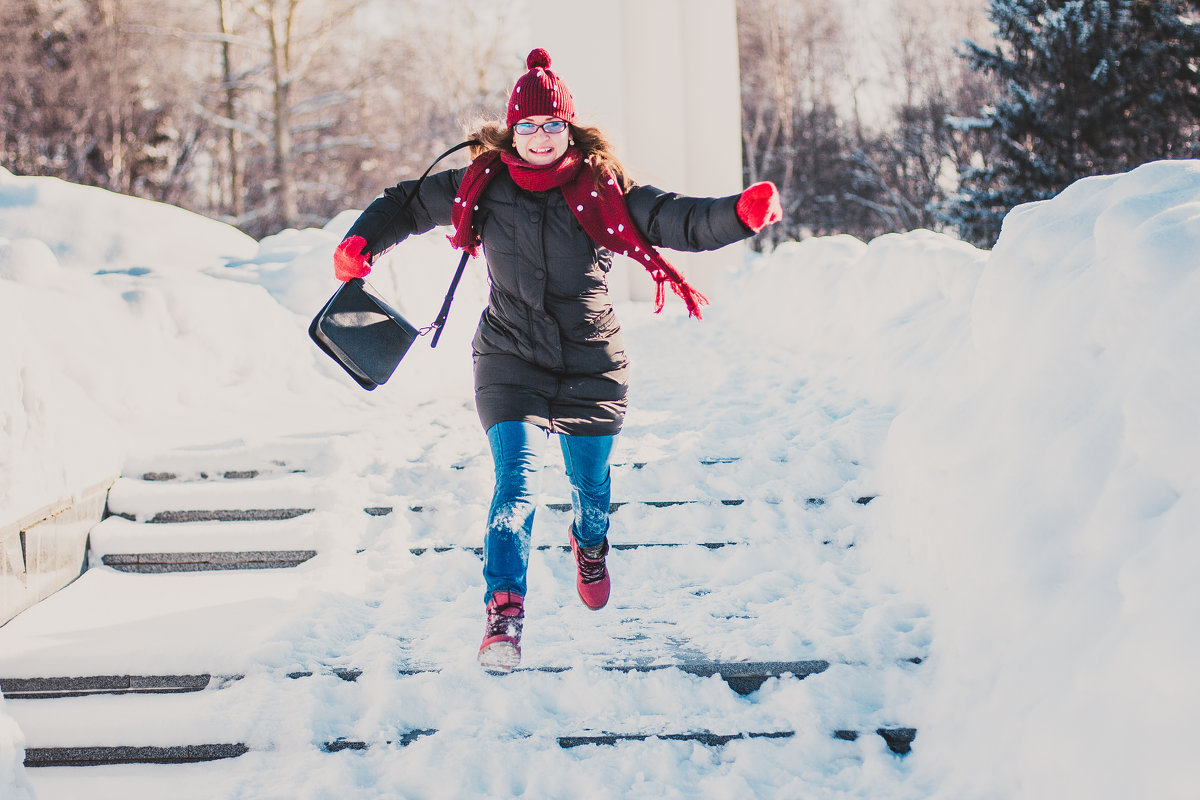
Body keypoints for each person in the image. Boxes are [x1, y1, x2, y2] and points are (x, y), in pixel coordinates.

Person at [333, 48, 782, 673]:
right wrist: (361, 241)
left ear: (568, 129)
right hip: (509, 354)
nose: (540, 137)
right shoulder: (481, 187)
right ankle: (504, 614)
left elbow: (673, 217)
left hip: (590, 361)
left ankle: (590, 544)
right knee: (514, 487)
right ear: (511, 131)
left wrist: (735, 216)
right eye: (528, 126)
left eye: (551, 126)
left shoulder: (603, 187)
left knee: (590, 492)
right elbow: (407, 202)